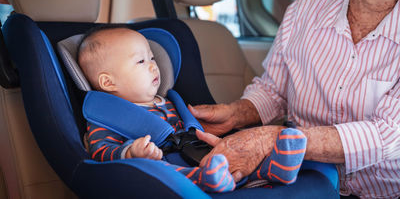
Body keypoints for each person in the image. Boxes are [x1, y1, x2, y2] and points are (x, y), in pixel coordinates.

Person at [191, 0, 400, 198]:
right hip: (301, 183)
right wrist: (236, 113)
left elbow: (389, 134)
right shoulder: (305, 10)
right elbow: (274, 90)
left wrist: (272, 140)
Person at [77, 26, 307, 192]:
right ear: (108, 82)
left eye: (152, 57)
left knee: (239, 157)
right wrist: (130, 152)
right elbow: (100, 150)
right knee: (169, 174)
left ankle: (273, 167)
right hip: (162, 168)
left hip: (197, 150)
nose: (153, 65)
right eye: (140, 61)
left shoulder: (168, 101)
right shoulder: (107, 117)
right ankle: (206, 179)